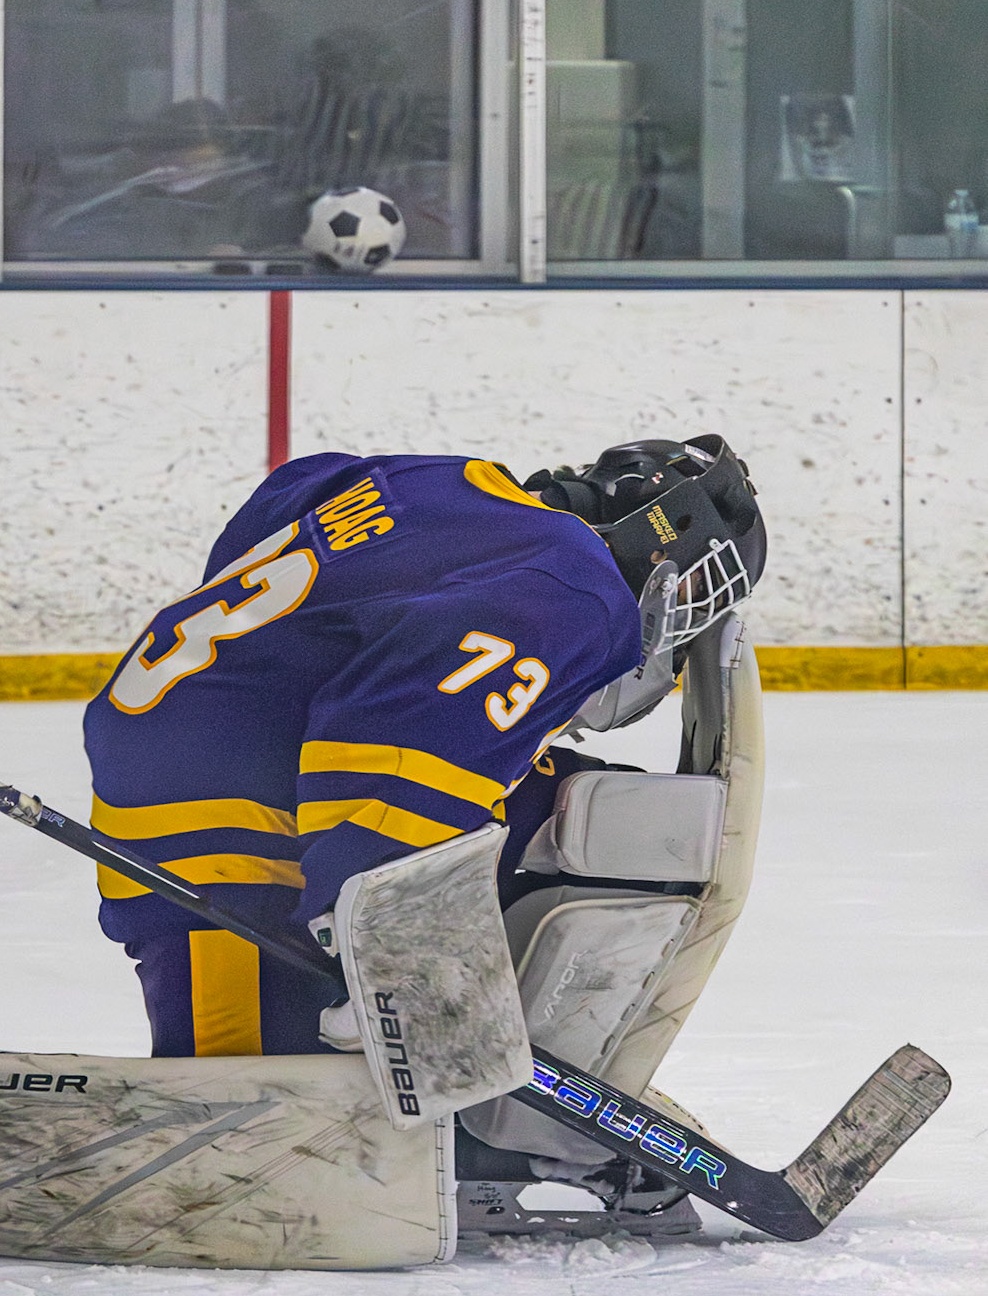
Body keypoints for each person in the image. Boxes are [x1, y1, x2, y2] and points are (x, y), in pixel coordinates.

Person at [83, 438, 766, 1066]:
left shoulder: (444, 480)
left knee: (615, 822)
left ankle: (498, 1118)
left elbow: (290, 491)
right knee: (248, 1129)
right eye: (700, 589)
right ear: (664, 541)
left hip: (206, 742)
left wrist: (270, 669)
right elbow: (391, 747)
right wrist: (390, 958)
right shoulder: (574, 588)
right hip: (214, 811)